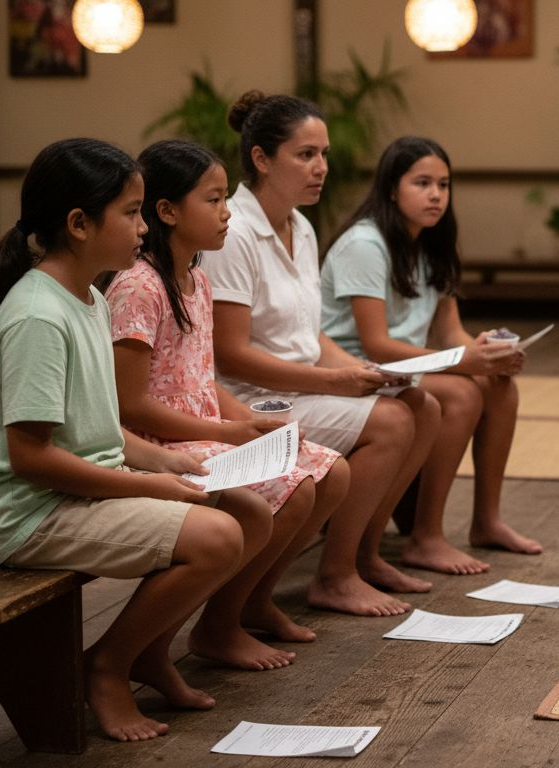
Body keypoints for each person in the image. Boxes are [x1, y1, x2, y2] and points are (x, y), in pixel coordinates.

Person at [0, 138, 247, 741]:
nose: (143, 227)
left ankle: (149, 650)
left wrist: (167, 460)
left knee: (241, 502)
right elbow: (31, 458)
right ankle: (108, 667)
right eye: (132, 212)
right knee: (219, 535)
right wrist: (148, 484)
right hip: (32, 513)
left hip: (77, 491)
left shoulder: (87, 295)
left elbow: (97, 427)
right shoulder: (40, 315)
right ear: (79, 223)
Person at [104, 138, 351, 669]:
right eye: (213, 201)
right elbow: (128, 405)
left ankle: (252, 604)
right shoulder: (138, 288)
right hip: (158, 445)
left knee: (333, 472)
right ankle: (219, 624)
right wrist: (225, 433)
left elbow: (198, 377)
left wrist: (252, 421)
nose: (227, 213)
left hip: (201, 431)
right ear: (167, 211)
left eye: (225, 199)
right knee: (296, 486)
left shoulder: (195, 278)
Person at [202, 91, 440, 615]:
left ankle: (365, 552)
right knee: (393, 423)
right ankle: (334, 574)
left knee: (422, 403)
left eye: (324, 154)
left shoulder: (301, 226)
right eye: (305, 154)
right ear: (262, 159)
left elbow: (311, 338)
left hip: (299, 384)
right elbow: (230, 355)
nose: (321, 168)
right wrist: (335, 382)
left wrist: (358, 369)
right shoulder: (234, 231)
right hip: (253, 398)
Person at [321, 136, 541, 577]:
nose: (436, 194)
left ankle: (487, 521)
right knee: (462, 393)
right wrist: (466, 360)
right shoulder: (365, 244)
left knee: (498, 386)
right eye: (422, 183)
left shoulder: (433, 244)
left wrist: (489, 354)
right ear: (390, 188)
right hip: (357, 368)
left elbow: (450, 332)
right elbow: (377, 344)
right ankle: (426, 536)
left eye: (443, 184)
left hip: (406, 368)